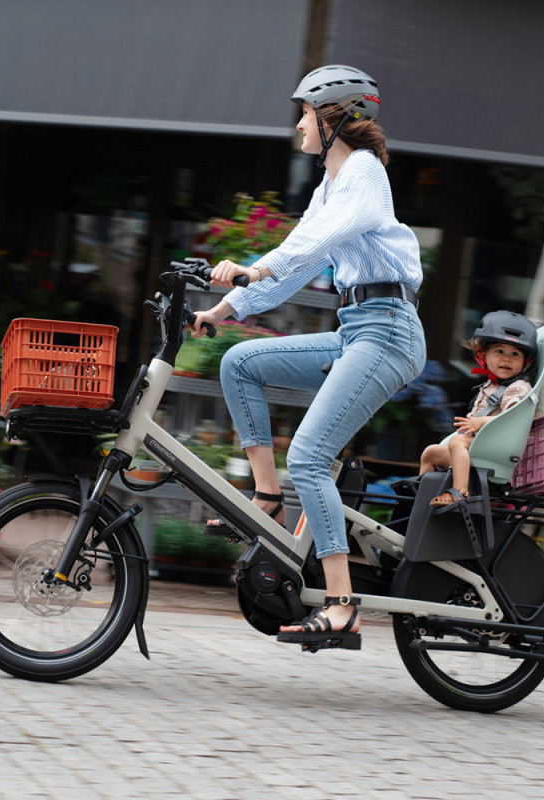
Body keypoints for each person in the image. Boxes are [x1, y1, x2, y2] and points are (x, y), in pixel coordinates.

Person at [191, 64, 426, 650]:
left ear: (333, 119)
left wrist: (258, 265)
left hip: (389, 331)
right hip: (356, 328)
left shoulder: (365, 174)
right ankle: (266, 499)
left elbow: (309, 246)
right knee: (240, 363)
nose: (298, 126)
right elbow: (298, 265)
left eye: (304, 114)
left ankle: (343, 604)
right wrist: (222, 311)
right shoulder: (330, 183)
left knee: (312, 456)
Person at [419, 310, 538, 506]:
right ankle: (422, 498)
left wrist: (481, 422)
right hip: (480, 445)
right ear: (483, 356)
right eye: (500, 351)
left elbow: (513, 420)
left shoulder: (518, 388)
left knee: (458, 442)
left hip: (495, 447)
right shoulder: (490, 387)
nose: (507, 359)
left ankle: (458, 492)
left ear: (524, 363)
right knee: (430, 453)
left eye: (515, 354)